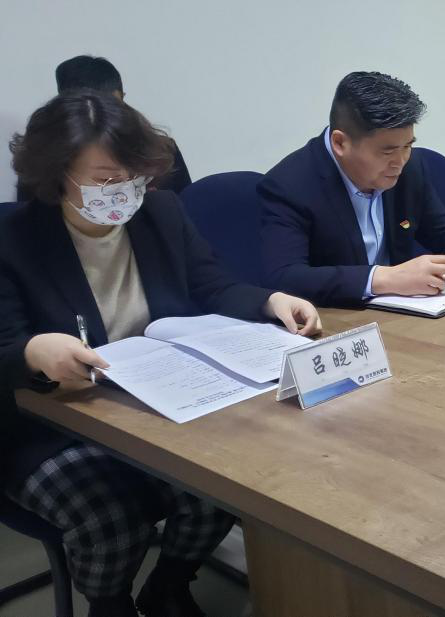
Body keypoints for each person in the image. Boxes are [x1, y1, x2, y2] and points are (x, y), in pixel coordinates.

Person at [2, 91, 320, 617]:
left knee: (229, 483)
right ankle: (109, 605)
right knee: (111, 518)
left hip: (156, 405)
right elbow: (5, 346)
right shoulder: (12, 239)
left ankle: (169, 585)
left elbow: (212, 284)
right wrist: (35, 351)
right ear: (57, 174)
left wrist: (271, 301)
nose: (124, 192)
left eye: (134, 177)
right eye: (106, 179)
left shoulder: (161, 211)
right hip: (52, 424)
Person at [259, 71, 445, 307]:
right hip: (338, 321)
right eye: (387, 151)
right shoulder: (290, 185)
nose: (400, 161)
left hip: (403, 314)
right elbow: (284, 276)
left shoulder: (410, 166)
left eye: (408, 146)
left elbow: (440, 229)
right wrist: (384, 278)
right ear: (340, 143)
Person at [14, 55, 194, 199]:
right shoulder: (41, 161)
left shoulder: (160, 151)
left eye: (114, 109)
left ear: (123, 98)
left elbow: (186, 209)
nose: (105, 121)